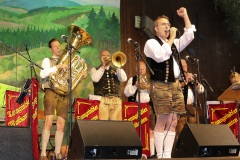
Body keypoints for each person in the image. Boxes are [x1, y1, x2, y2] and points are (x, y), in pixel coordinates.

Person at [144, 7, 196, 158]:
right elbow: (160, 56)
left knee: (173, 120)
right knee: (162, 119)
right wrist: (172, 37)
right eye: (163, 24)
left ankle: (167, 155)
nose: (167, 26)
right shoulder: (151, 43)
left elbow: (190, 35)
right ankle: (159, 155)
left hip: (174, 85)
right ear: (155, 28)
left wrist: (185, 15)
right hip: (160, 84)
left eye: (168, 24)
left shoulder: (173, 44)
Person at [39, 38, 87, 160]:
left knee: (61, 124)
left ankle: (57, 153)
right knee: (49, 122)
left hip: (63, 94)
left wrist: (81, 74)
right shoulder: (47, 60)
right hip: (51, 91)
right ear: (51, 49)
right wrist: (58, 67)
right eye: (55, 46)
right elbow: (42, 74)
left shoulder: (68, 63)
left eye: (59, 46)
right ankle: (43, 153)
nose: (58, 48)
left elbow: (71, 79)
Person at [124, 61, 156, 158]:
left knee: (150, 130)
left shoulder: (151, 79)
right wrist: (135, 86)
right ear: (136, 69)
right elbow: (126, 93)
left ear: (146, 69)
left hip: (148, 107)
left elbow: (156, 94)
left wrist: (150, 88)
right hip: (134, 108)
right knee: (135, 131)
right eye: (139, 69)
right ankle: (134, 153)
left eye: (143, 69)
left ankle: (151, 154)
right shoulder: (132, 79)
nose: (141, 71)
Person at [90, 49, 127, 120]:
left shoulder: (116, 70)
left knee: (117, 125)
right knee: (103, 125)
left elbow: (124, 79)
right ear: (100, 58)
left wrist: (119, 67)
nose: (105, 57)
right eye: (103, 56)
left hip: (116, 100)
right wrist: (103, 66)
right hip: (102, 101)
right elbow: (95, 79)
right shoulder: (94, 69)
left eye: (107, 56)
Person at [176, 59, 204, 138]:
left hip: (192, 108)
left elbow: (201, 90)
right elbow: (174, 89)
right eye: (182, 66)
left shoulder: (191, 77)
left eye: (185, 66)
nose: (184, 67)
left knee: (194, 132)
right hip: (180, 109)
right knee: (180, 132)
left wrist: (195, 82)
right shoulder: (175, 78)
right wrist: (185, 81)